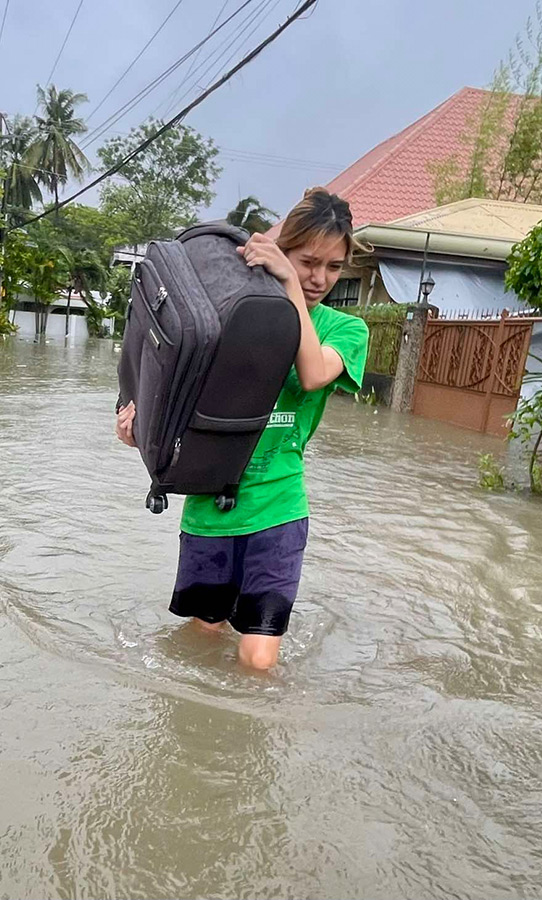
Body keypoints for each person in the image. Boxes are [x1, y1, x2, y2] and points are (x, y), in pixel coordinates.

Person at [115, 188, 370, 671]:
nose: (319, 278)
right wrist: (136, 423)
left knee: (257, 662)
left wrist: (289, 286)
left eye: (334, 267)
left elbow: (313, 374)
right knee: (201, 644)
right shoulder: (232, 313)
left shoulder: (346, 330)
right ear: (283, 250)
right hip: (210, 507)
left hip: (279, 508)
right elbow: (175, 387)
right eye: (307, 261)